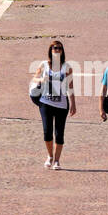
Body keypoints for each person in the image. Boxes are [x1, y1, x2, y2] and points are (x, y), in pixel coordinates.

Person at [32, 40, 76, 169]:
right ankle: (50, 156)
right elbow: (34, 78)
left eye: (59, 48)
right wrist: (41, 79)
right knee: (47, 132)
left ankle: (57, 160)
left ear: (62, 51)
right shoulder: (44, 64)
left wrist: (73, 104)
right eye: (54, 48)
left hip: (62, 104)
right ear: (50, 51)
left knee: (59, 133)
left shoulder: (67, 67)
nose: (57, 50)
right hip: (46, 102)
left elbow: (71, 86)